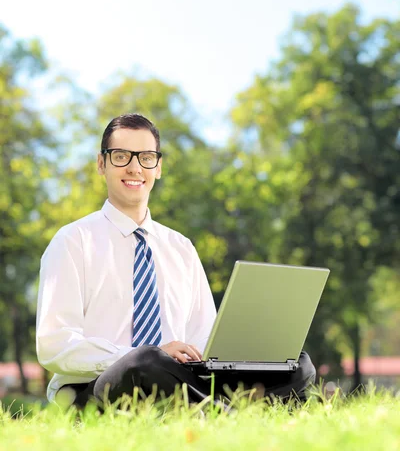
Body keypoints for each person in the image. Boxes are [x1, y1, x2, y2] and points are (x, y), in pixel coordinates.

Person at [36, 113, 316, 409]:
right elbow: (53, 343)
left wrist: (236, 357)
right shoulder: (72, 241)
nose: (134, 167)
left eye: (146, 157)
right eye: (121, 156)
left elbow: (203, 336)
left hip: (179, 380)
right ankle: (230, 417)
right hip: (95, 388)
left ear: (158, 168)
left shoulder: (181, 247)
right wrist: (131, 354)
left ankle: (216, 411)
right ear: (101, 164)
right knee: (145, 360)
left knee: (296, 363)